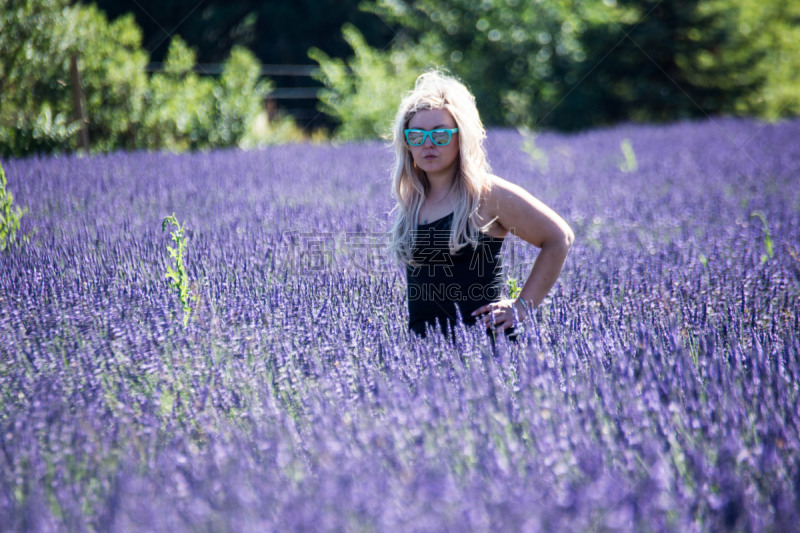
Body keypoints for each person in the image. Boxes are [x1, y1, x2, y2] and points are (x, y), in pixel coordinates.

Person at [387, 70, 574, 342]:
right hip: (425, 353)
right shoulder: (412, 200)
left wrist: (521, 307)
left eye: (440, 135)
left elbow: (559, 238)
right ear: (407, 142)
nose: (428, 144)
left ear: (461, 137)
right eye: (416, 135)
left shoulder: (485, 193)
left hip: (486, 350)